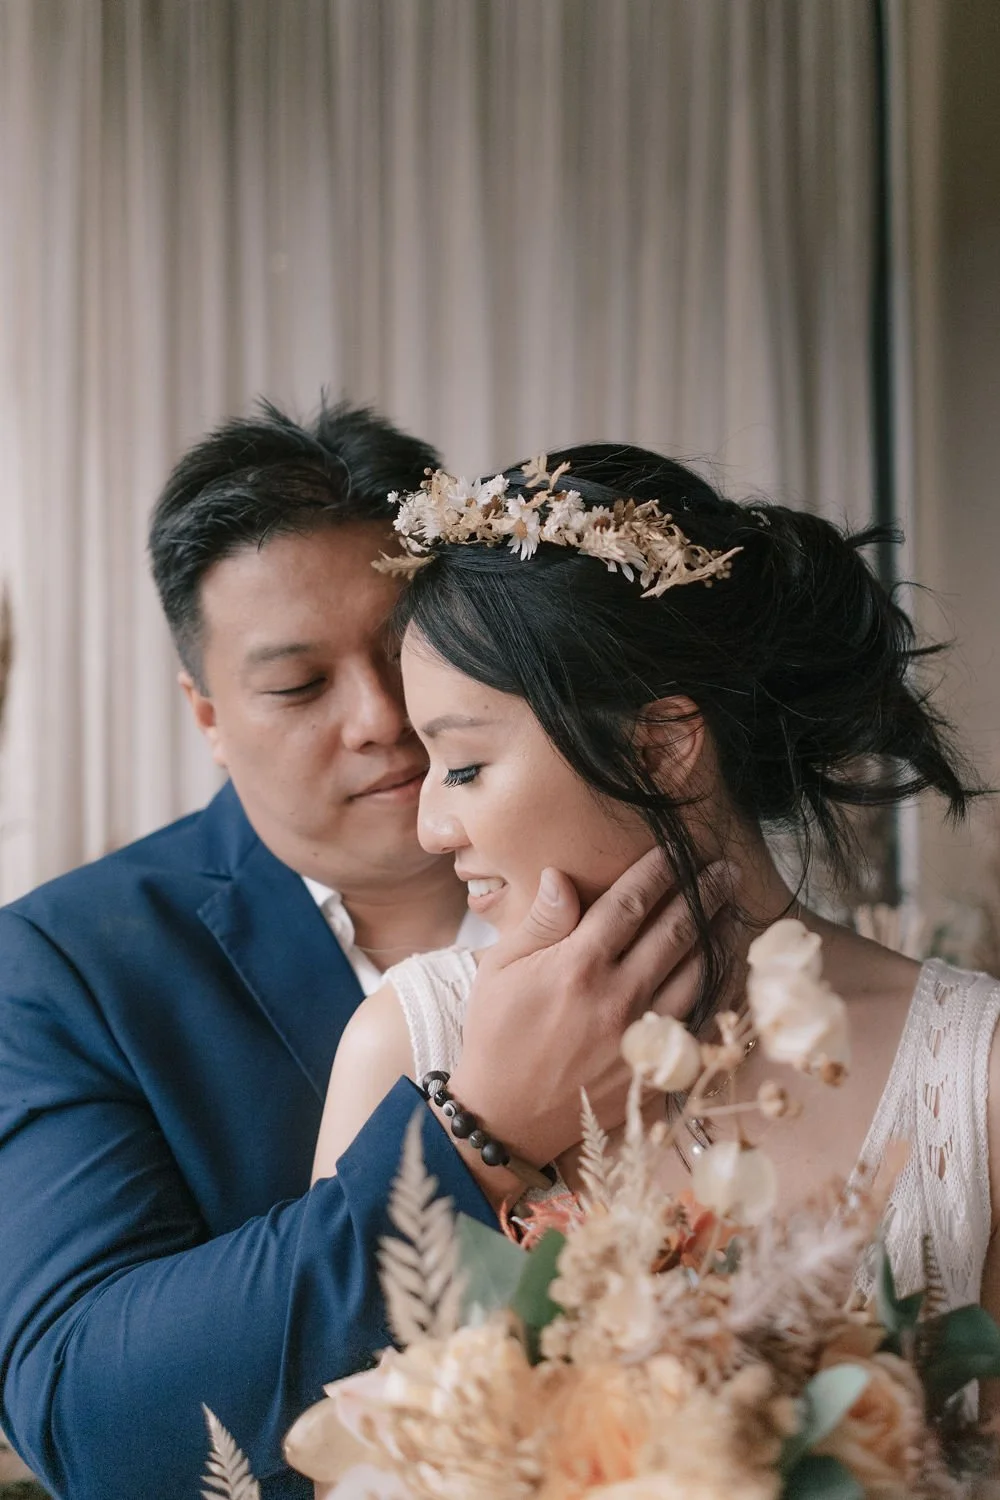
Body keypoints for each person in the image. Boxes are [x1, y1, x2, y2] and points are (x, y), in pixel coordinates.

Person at [0, 409, 713, 1499]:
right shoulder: (66, 966)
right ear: (207, 716)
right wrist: (473, 1138)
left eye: (406, 655)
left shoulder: (663, 886)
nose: (384, 718)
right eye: (299, 686)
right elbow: (89, 1419)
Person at [312, 444, 1000, 1359]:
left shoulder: (974, 1077)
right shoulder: (408, 1045)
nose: (431, 828)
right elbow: (330, 1412)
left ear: (663, 748)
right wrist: (480, 1129)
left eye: (465, 767)